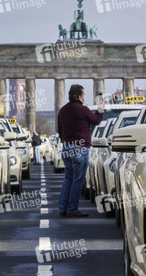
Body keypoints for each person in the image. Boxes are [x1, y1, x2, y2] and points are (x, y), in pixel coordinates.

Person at [57, 84, 104, 217]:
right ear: (78, 96)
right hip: (80, 148)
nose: (84, 98)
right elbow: (95, 121)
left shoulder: (63, 110)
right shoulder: (82, 109)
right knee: (78, 179)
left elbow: (60, 131)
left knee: (68, 178)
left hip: (66, 147)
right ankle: (72, 208)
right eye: (83, 95)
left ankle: (63, 208)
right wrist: (100, 109)